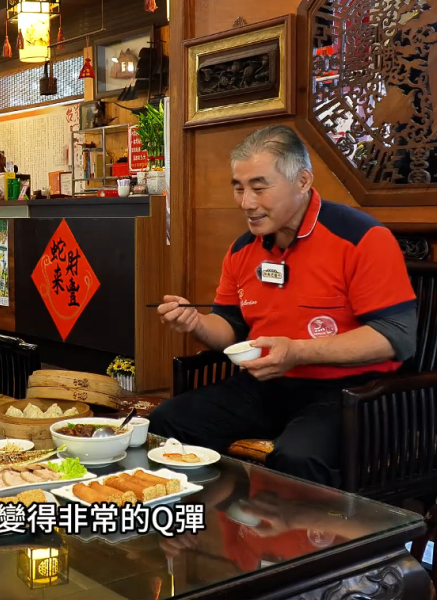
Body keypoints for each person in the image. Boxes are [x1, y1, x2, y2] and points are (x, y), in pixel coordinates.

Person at [149, 125, 417, 487]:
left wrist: (297, 352)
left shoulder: (361, 238)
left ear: (303, 181)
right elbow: (231, 330)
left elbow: (397, 337)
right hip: (268, 385)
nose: (246, 202)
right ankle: (216, 526)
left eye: (259, 188)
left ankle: (312, 543)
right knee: (168, 421)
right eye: (238, 187)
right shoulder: (244, 249)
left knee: (297, 456)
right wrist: (195, 323)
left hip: (354, 393)